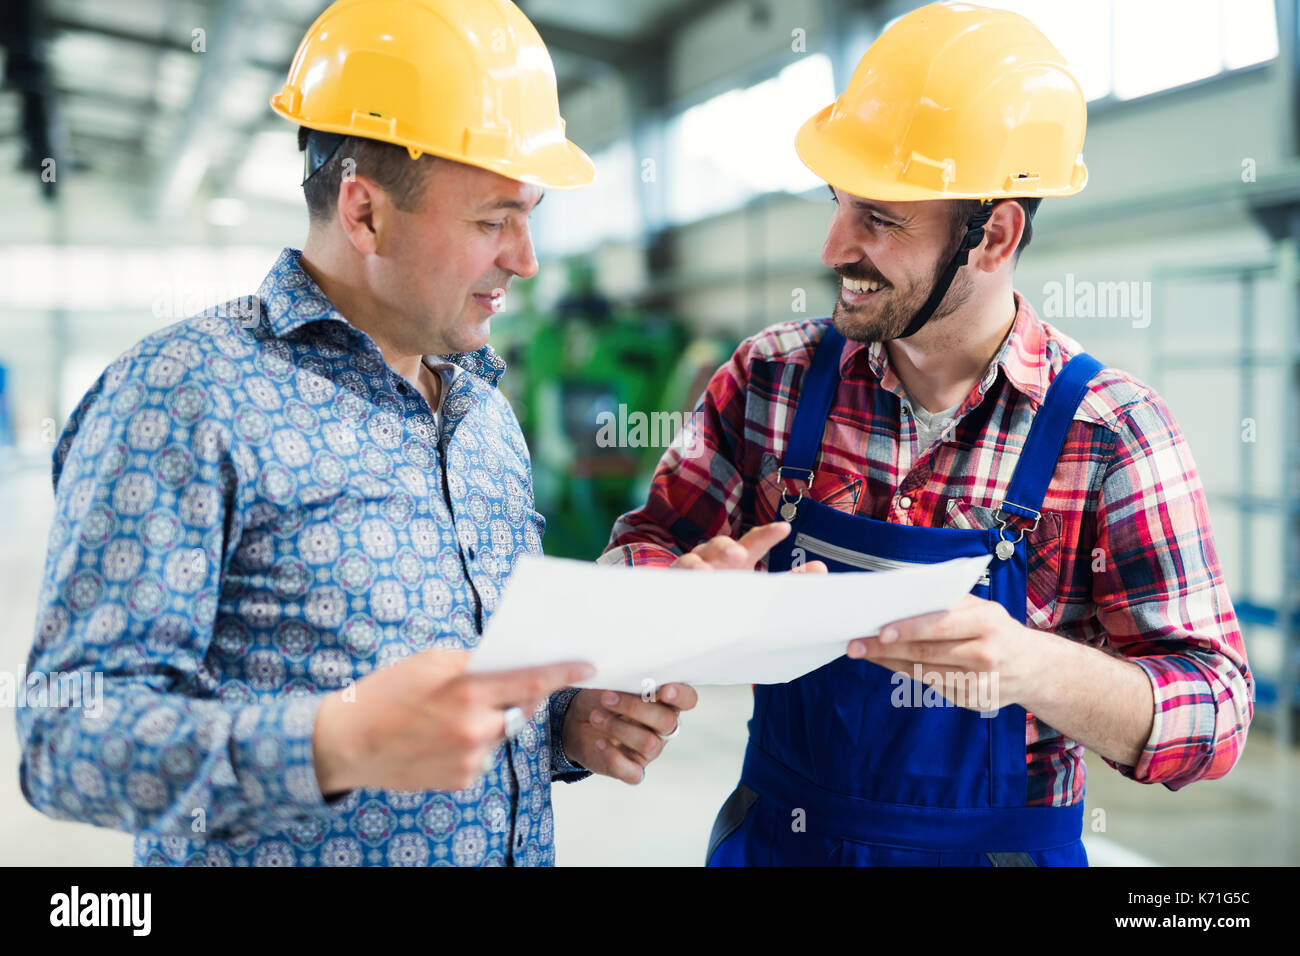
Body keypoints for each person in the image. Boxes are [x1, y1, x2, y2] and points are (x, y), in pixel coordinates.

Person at [16, 0, 694, 868]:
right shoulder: (183, 397)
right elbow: (65, 741)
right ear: (364, 213)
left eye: (530, 215)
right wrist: (330, 742)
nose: (525, 260)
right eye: (493, 221)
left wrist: (562, 727)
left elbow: (467, 702)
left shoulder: (483, 414)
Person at [601, 1, 1253, 866]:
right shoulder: (771, 380)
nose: (835, 246)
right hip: (782, 840)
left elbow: (1217, 714)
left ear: (994, 235)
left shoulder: (1112, 434)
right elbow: (641, 548)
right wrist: (675, 592)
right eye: (839, 204)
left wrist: (1029, 667)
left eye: (881, 219)